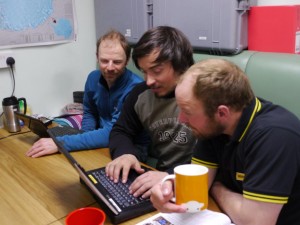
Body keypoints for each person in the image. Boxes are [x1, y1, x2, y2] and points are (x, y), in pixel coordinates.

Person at [150, 58, 300, 225]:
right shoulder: (213, 127)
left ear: (222, 113)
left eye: (187, 111)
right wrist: (167, 187)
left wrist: (217, 187)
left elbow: (256, 222)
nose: (181, 119)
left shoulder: (275, 136)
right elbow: (200, 183)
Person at [105, 26, 197, 199]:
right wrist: (125, 153)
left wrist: (171, 176)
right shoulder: (140, 95)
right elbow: (121, 130)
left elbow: (221, 155)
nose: (149, 81)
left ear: (181, 65)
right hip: (159, 181)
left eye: (156, 71)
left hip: (200, 182)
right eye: (144, 72)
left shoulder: (207, 94)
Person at [26, 30, 143, 158]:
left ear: (127, 60)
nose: (109, 67)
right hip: (101, 142)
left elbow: (114, 132)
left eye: (117, 62)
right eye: (104, 61)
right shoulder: (93, 78)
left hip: (129, 149)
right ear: (97, 57)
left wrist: (61, 143)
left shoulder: (136, 88)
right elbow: (90, 112)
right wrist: (83, 138)